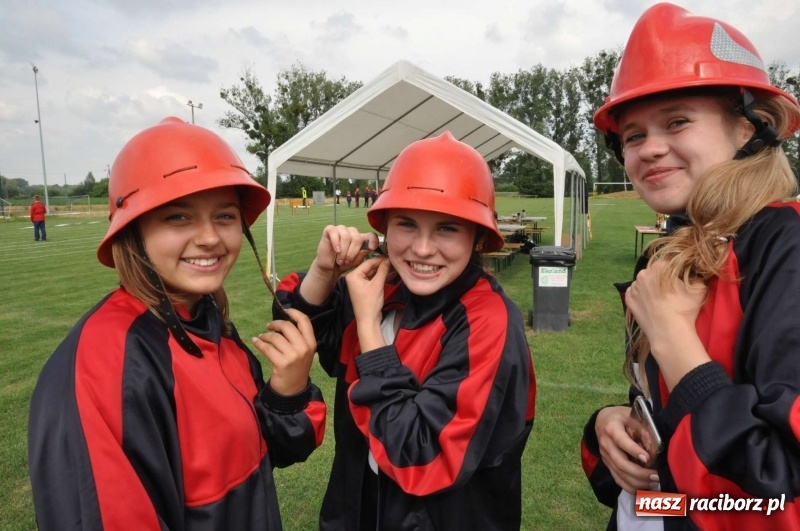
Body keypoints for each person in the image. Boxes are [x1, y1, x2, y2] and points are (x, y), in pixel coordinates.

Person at [28, 117, 326, 530]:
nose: (209, 238)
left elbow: (267, 453)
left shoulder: (208, 323)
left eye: (224, 215)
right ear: (133, 231)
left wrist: (287, 393)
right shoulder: (106, 363)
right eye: (178, 217)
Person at [580, 4, 800, 530]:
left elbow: (778, 501)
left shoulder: (786, 249)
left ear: (753, 127)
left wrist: (673, 337)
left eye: (677, 121)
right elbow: (681, 496)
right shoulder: (675, 254)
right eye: (632, 136)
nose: (650, 149)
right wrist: (611, 429)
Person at [275, 131, 536, 530]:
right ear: (384, 230)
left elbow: (419, 455)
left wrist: (367, 328)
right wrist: (325, 271)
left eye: (448, 228)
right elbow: (300, 328)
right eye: (407, 224)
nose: (422, 248)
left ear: (478, 237)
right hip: (359, 509)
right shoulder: (381, 286)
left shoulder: (488, 320)